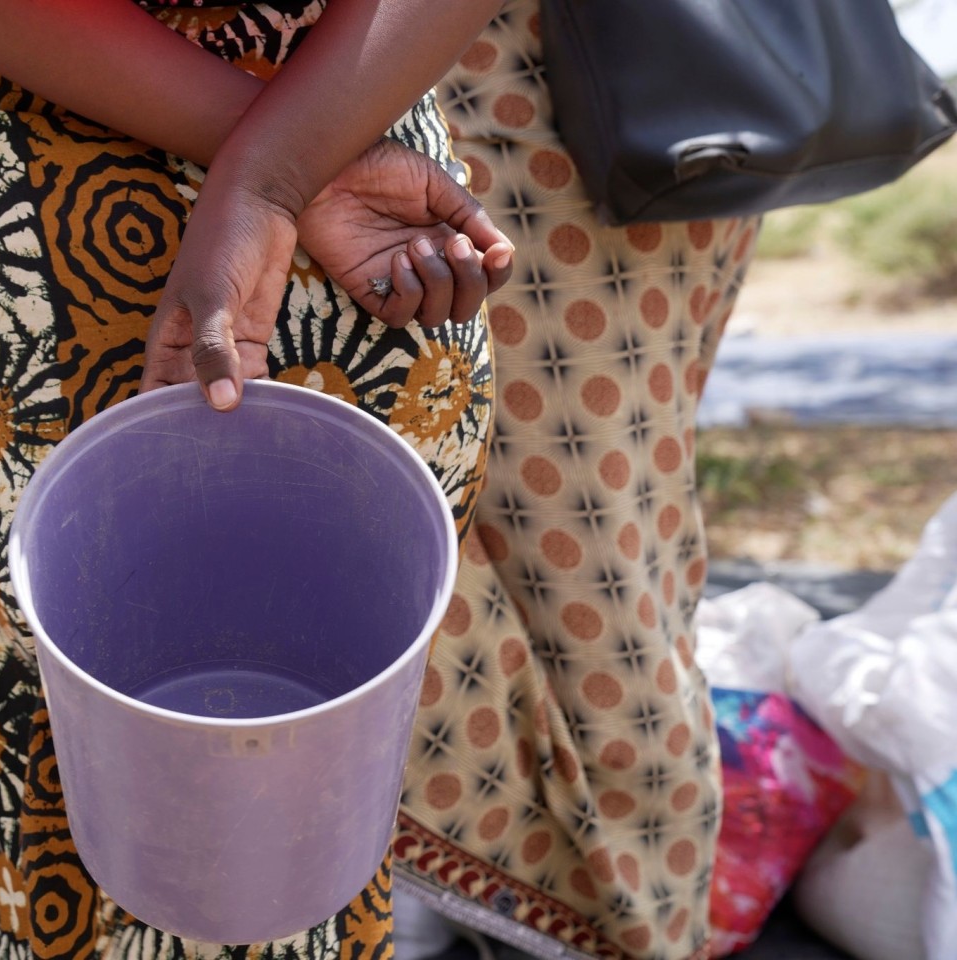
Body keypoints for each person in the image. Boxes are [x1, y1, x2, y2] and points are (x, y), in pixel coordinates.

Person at [0, 0, 514, 956]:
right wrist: (277, 174)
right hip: (363, 178)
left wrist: (273, 177)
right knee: (298, 805)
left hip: (48, 214)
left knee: (109, 768)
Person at [391, 4, 762, 959]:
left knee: (599, 591)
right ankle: (600, 907)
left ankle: (630, 923)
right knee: (597, 561)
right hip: (615, 110)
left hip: (550, 135)